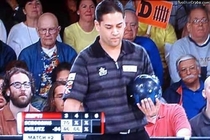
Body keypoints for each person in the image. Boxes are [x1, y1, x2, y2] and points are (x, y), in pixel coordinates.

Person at [63, 0, 153, 140]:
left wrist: (154, 108)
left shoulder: (139, 54)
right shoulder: (85, 59)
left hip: (137, 133)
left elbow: (153, 90)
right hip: (102, 135)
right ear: (97, 25)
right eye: (109, 27)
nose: (115, 32)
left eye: (119, 26)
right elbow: (71, 103)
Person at [19, 12, 77, 110]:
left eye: (51, 29)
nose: (47, 34)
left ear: (58, 30)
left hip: (63, 105)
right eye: (43, 30)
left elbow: (77, 83)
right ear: (37, 31)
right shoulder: (26, 55)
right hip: (34, 107)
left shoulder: (69, 53)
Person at [123, 2, 163, 85]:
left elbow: (157, 76)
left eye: (133, 25)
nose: (129, 29)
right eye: (125, 24)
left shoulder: (148, 45)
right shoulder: (109, 46)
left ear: (137, 29)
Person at [169, 7, 210, 83]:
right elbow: (177, 77)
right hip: (185, 91)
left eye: (204, 20)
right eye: (196, 21)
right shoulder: (179, 46)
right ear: (188, 26)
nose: (200, 24)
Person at [164, 54, 206, 119]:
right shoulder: (171, 93)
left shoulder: (208, 87)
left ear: (199, 70)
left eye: (192, 68)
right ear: (179, 74)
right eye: (183, 70)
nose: (188, 72)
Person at [0, 67, 39, 135]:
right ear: (8, 91)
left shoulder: (41, 117)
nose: (23, 89)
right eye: (17, 85)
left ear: (31, 91)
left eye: (26, 84)